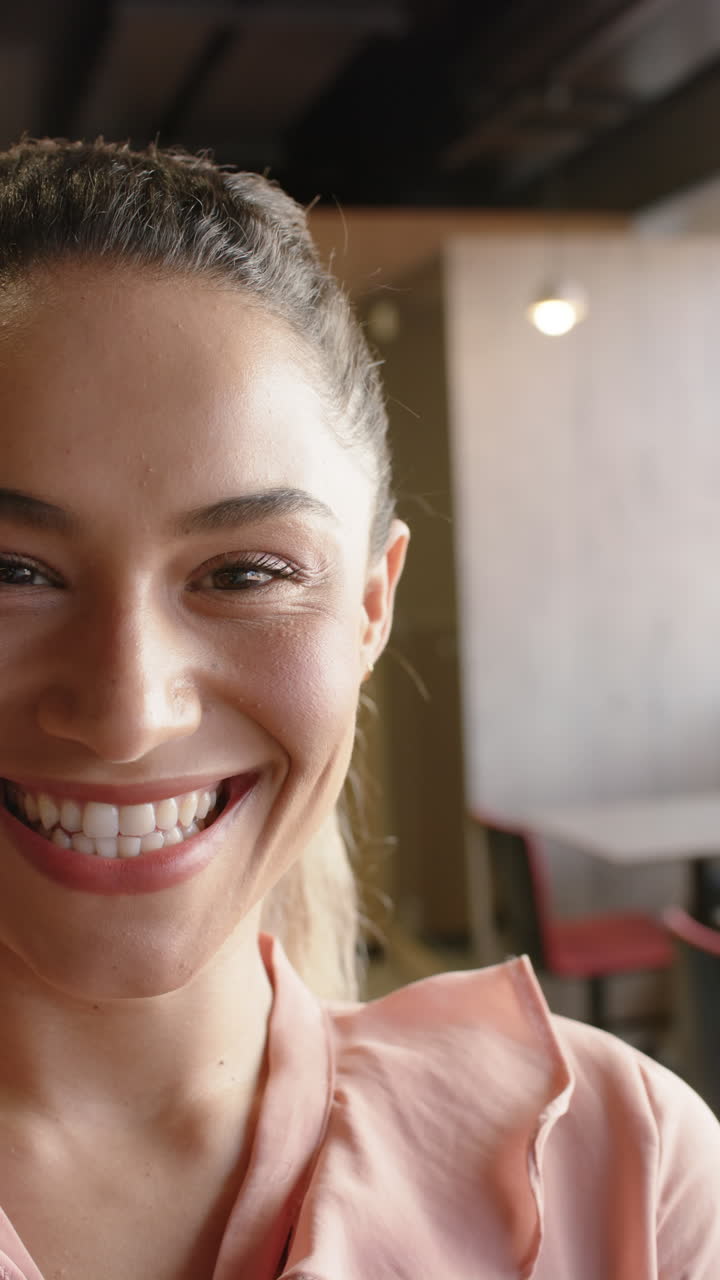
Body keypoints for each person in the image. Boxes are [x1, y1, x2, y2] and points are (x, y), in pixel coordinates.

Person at [0, 138, 717, 1280]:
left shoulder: (624, 1172)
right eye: (12, 571)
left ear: (372, 607)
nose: (130, 711)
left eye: (244, 573)